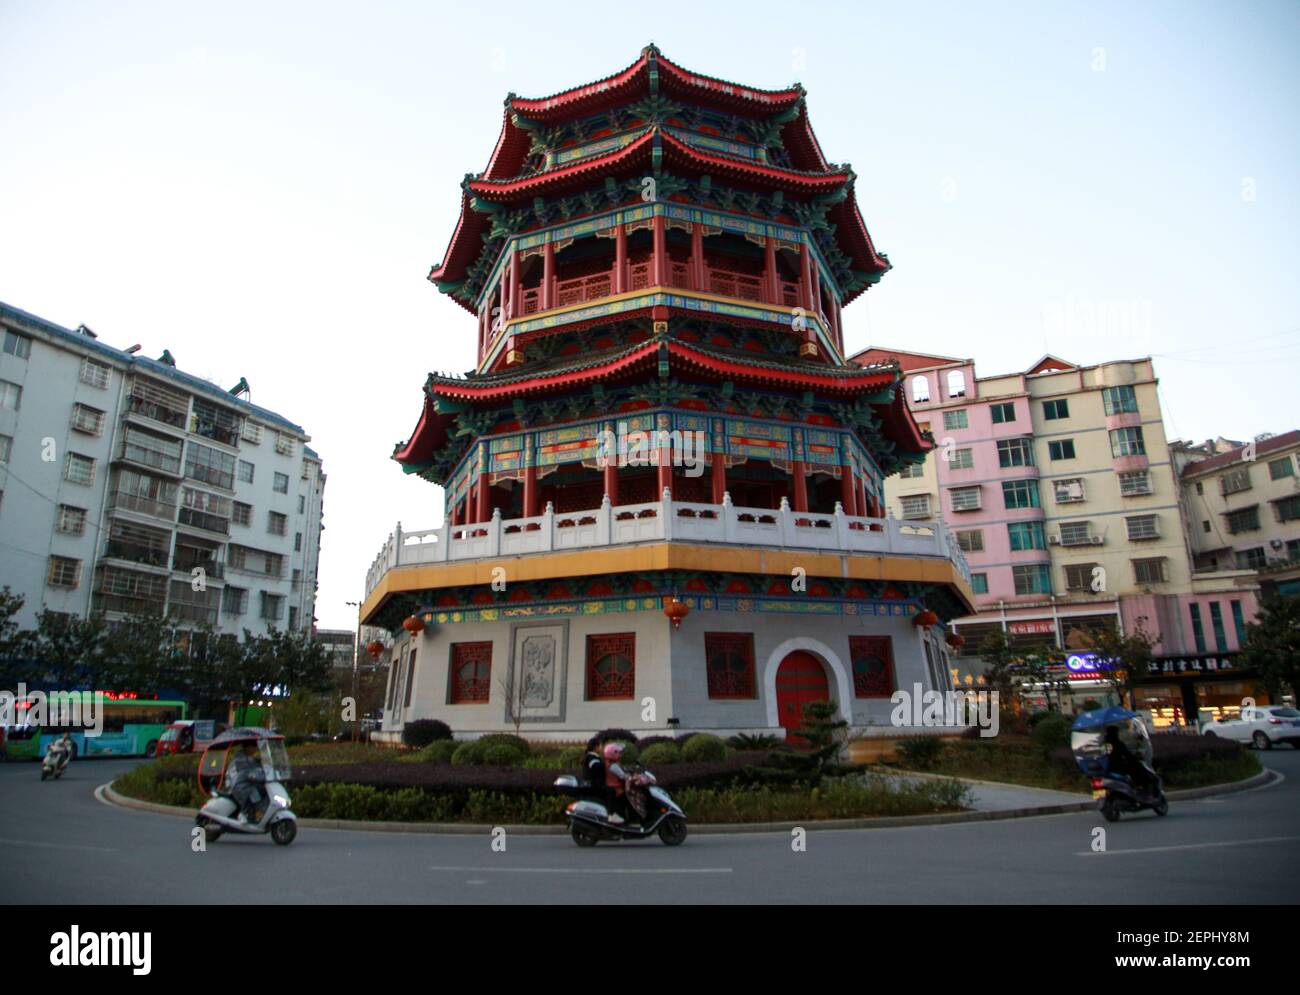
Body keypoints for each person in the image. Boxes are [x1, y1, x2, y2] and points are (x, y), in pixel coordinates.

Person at [1104, 725, 1156, 799]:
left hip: (1109, 768)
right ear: (1114, 733)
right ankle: (1141, 788)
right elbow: (1127, 755)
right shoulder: (1117, 743)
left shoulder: (1105, 745)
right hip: (1119, 767)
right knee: (1137, 770)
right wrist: (1134, 759)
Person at [227, 742, 267, 822]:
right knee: (253, 794)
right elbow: (250, 773)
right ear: (248, 747)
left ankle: (256, 813)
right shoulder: (241, 759)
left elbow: (257, 767)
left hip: (246, 784)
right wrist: (261, 776)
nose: (256, 749)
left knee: (262, 791)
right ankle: (244, 814)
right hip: (238, 785)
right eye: (254, 746)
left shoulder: (249, 758)